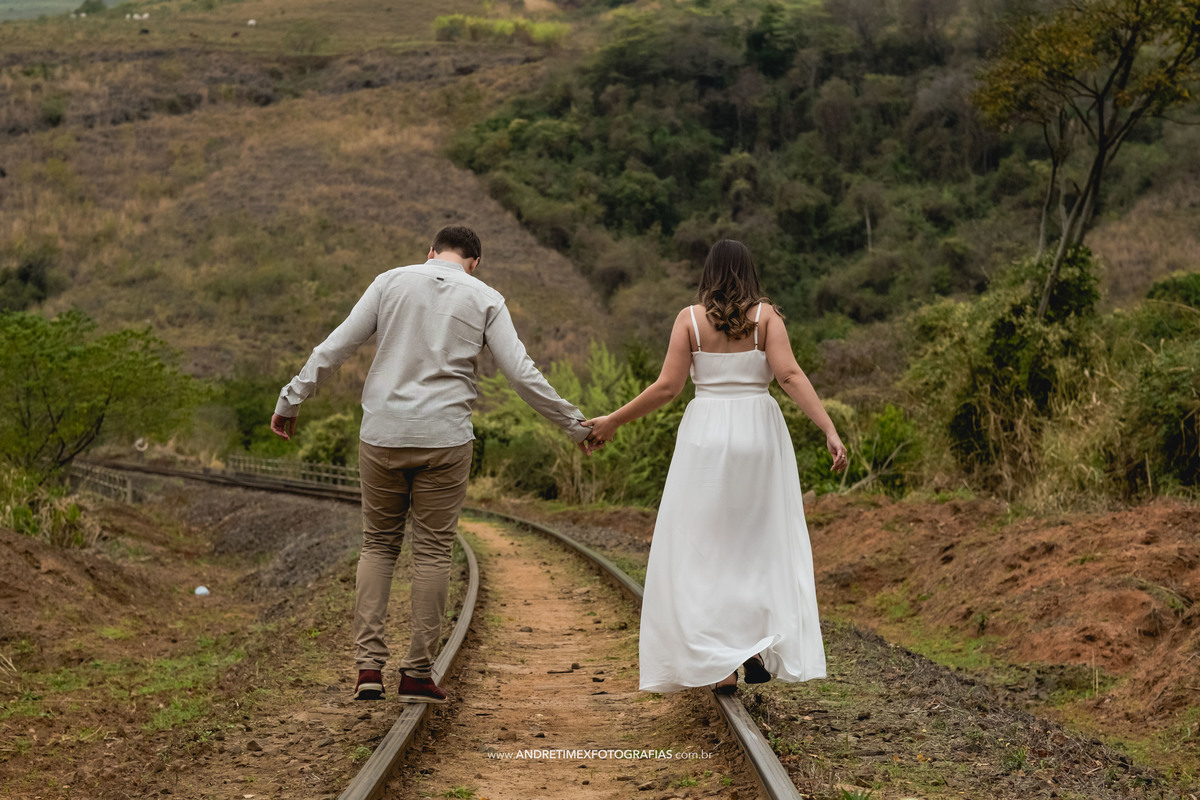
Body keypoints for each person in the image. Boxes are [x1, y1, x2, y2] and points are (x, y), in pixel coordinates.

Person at [270, 225, 593, 704]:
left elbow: (335, 346)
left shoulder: (389, 281)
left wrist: (290, 399)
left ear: (431, 253)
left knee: (378, 544)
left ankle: (368, 670)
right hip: (445, 439)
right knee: (433, 552)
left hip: (382, 434)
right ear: (474, 262)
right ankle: (418, 674)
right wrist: (575, 425)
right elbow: (521, 373)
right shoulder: (487, 298)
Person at [584, 239, 847, 694]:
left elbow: (667, 388)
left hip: (705, 439)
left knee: (706, 549)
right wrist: (829, 428)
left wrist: (612, 421)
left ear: (708, 273)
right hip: (758, 437)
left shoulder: (689, 320)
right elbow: (789, 376)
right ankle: (752, 647)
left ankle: (719, 662)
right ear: (749, 272)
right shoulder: (767, 318)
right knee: (756, 547)